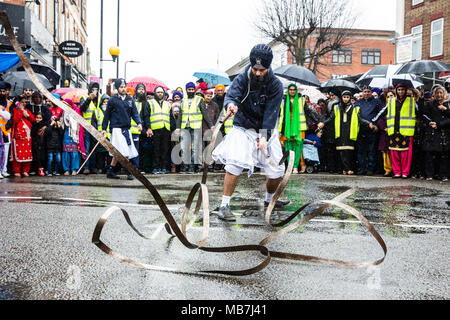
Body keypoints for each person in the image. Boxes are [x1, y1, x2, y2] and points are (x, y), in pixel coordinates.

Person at [211, 44, 290, 221]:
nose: (258, 73)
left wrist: (264, 137)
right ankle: (224, 205)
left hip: (265, 128)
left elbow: (272, 113)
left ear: (268, 67)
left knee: (276, 169)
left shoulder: (276, 85)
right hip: (243, 127)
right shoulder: (242, 78)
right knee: (234, 164)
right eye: (255, 68)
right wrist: (230, 105)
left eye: (262, 70)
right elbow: (232, 96)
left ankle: (270, 200)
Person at [371, 83, 418, 179]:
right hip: (394, 130)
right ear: (396, 91)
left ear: (405, 91)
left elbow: (419, 113)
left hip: (406, 131)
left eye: (402, 90)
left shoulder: (412, 101)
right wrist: (373, 121)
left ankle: (405, 172)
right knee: (394, 152)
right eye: (399, 90)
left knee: (406, 154)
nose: (401, 92)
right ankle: (397, 172)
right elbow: (382, 112)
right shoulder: (391, 101)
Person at [323, 91, 373, 175]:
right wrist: (323, 123)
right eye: (344, 97)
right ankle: (345, 168)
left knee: (349, 151)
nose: (346, 99)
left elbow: (360, 119)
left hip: (350, 132)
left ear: (350, 98)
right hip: (340, 131)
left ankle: (348, 168)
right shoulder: (337, 107)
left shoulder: (354, 107)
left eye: (347, 97)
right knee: (341, 151)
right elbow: (331, 118)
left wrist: (368, 123)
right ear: (341, 98)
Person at [102, 78, 142, 180]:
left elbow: (135, 113)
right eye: (121, 87)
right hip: (116, 129)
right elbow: (107, 115)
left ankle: (110, 171)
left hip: (126, 129)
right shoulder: (112, 100)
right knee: (124, 150)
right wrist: (104, 128)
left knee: (118, 152)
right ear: (117, 88)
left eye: (124, 87)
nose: (123, 89)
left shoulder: (130, 100)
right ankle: (129, 171)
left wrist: (139, 123)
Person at [278, 84, 323, 174]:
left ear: (296, 90)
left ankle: (295, 167)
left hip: (299, 128)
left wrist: (317, 121)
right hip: (287, 128)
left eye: (294, 89)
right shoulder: (283, 101)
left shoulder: (301, 100)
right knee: (288, 147)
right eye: (290, 89)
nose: (292, 91)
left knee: (298, 148)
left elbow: (309, 112)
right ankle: (290, 166)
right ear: (288, 91)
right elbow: (279, 114)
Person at [175, 82, 214, 174]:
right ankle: (185, 167)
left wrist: (211, 125)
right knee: (184, 147)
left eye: (192, 89)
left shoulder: (199, 99)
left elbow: (205, 113)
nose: (191, 91)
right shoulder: (183, 101)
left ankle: (192, 167)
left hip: (196, 127)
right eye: (189, 90)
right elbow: (180, 115)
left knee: (194, 148)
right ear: (186, 90)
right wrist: (178, 128)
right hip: (185, 126)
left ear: (194, 90)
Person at [421, 85, 450, 181]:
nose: (439, 95)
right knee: (430, 154)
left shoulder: (448, 105)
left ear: (444, 94)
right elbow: (424, 115)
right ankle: (430, 174)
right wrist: (430, 122)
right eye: (437, 93)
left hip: (444, 132)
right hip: (432, 132)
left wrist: (445, 110)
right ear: (434, 94)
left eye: (441, 93)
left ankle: (443, 175)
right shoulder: (430, 104)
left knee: (444, 155)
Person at [354, 86, 382, 175]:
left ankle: (370, 169)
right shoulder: (358, 102)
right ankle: (362, 169)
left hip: (372, 130)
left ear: (371, 92)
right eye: (365, 91)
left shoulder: (377, 102)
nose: (366, 93)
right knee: (361, 151)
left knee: (371, 150)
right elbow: (356, 116)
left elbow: (380, 114)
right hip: (361, 130)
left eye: (368, 91)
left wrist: (377, 125)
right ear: (362, 92)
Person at [148, 86, 171, 174]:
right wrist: (149, 128)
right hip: (155, 129)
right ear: (155, 93)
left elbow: (170, 117)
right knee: (155, 149)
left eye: (161, 92)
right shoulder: (150, 103)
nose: (160, 94)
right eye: (158, 92)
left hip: (165, 128)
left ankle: (163, 167)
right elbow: (147, 116)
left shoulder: (168, 104)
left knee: (164, 149)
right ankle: (155, 167)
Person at [11, 95, 35, 177]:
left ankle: (25, 170)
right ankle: (16, 171)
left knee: (27, 153)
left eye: (25, 102)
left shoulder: (27, 110)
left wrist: (27, 115)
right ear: (17, 103)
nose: (24, 104)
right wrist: (20, 111)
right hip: (18, 135)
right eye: (22, 102)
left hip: (27, 136)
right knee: (18, 153)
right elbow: (15, 120)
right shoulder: (14, 110)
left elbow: (33, 120)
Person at [80, 82, 101, 175]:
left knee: (94, 149)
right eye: (93, 89)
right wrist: (89, 99)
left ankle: (93, 167)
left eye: (96, 89)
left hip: (96, 128)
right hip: (87, 127)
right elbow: (82, 109)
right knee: (87, 148)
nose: (95, 91)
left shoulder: (99, 100)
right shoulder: (84, 98)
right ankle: (86, 167)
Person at [62, 99, 85, 176]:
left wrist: (71, 120)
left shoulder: (76, 110)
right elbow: (59, 118)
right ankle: (66, 169)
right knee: (66, 151)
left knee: (74, 152)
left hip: (74, 134)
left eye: (67, 105)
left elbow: (80, 121)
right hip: (66, 133)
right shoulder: (64, 111)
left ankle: (74, 169)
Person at [377, 91, 395, 177]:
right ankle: (387, 169)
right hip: (385, 133)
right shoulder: (384, 107)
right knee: (385, 152)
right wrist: (384, 128)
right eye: (388, 96)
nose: (390, 97)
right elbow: (380, 119)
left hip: (395, 132)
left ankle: (395, 169)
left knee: (394, 152)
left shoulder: (397, 107)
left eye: (391, 95)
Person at [94, 94, 111, 173]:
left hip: (110, 135)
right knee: (100, 153)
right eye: (104, 102)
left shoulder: (112, 112)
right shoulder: (97, 112)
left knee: (109, 153)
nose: (106, 104)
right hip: (100, 135)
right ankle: (100, 168)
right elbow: (93, 124)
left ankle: (108, 168)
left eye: (107, 102)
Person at [0, 81, 13, 177]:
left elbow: (8, 116)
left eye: (4, 91)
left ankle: (2, 169)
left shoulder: (7, 103)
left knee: (3, 151)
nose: (2, 93)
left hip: (4, 130)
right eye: (0, 91)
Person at [31, 112, 47, 176]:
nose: (38, 119)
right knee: (36, 157)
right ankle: (37, 169)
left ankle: (42, 169)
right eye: (37, 118)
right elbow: (33, 133)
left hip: (43, 143)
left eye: (40, 118)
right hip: (36, 143)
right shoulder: (34, 125)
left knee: (42, 157)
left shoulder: (45, 125)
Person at [0, 97, 11, 179]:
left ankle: (2, 170)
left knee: (2, 153)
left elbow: (8, 116)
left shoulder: (2, 108)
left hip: (3, 132)